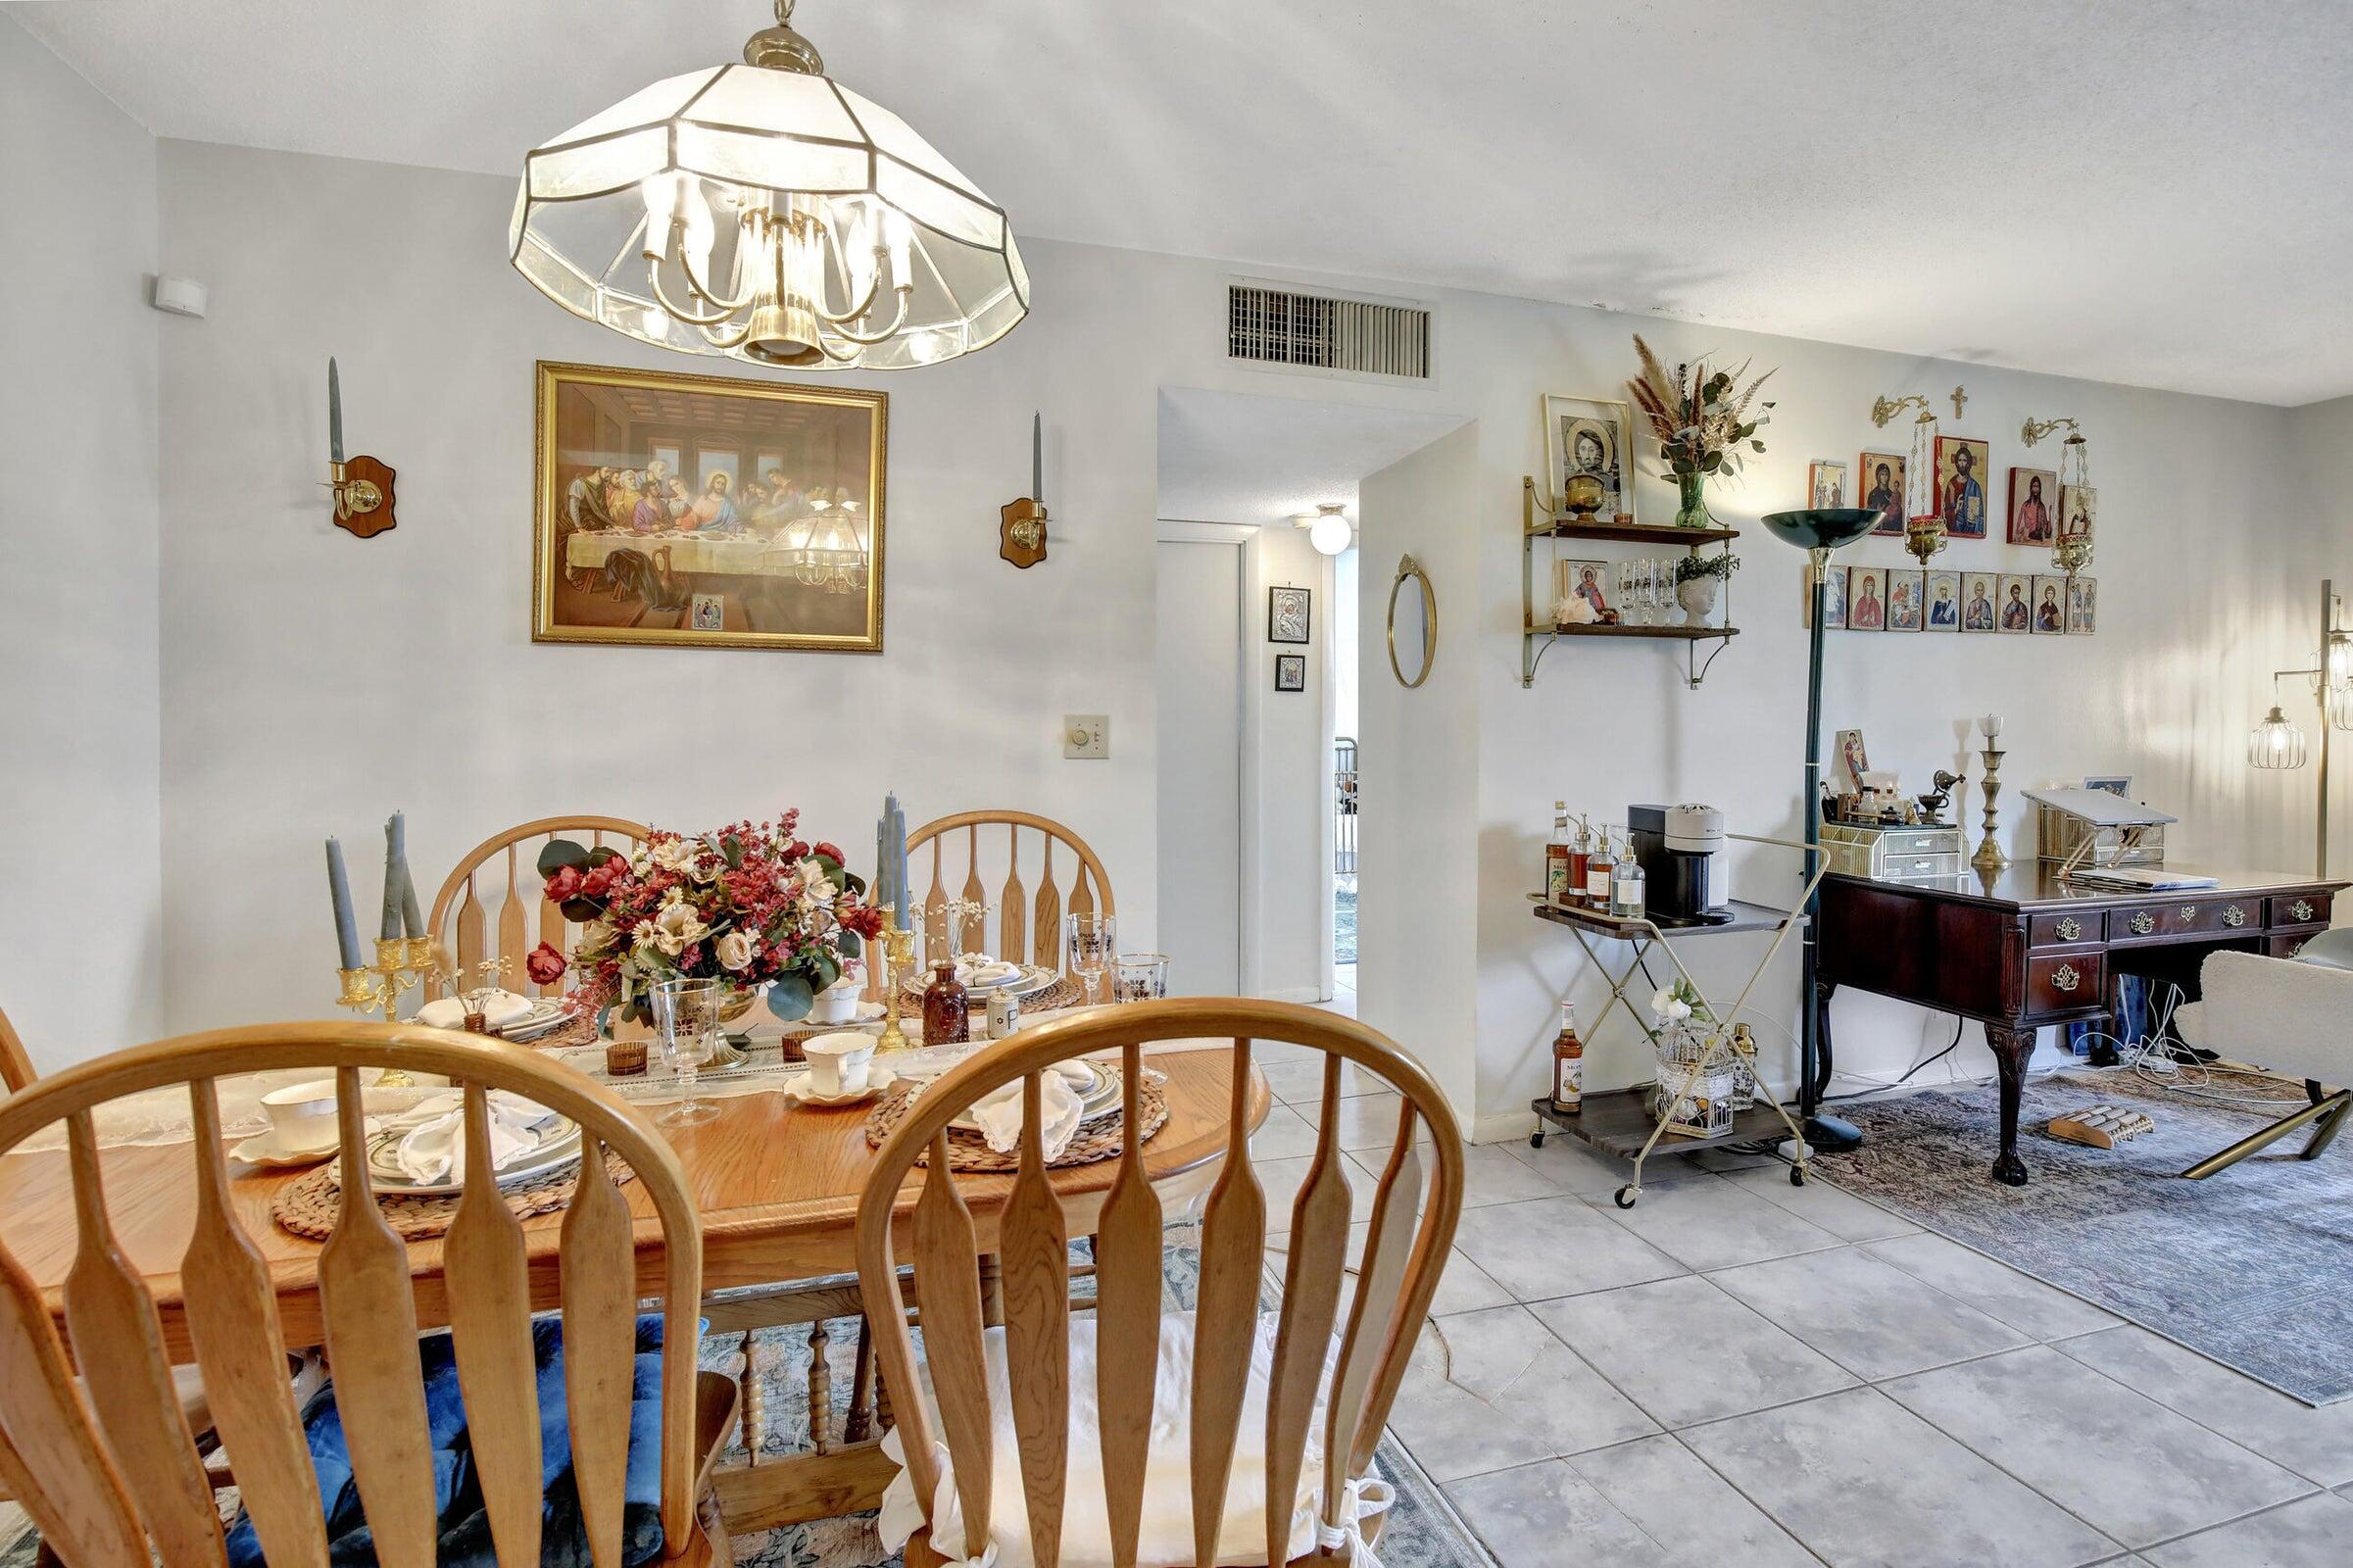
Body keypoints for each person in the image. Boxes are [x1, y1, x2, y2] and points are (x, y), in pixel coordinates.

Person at [1942, 445, 1985, 537]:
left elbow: (1980, 515)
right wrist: (1956, 510)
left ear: (1969, 463)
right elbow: (1944, 513)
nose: (1962, 463)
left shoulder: (1974, 486)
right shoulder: (1951, 485)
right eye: (1960, 460)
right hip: (1954, 531)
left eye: (1965, 460)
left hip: (1970, 530)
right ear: (1956, 463)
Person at [2014, 473, 2052, 543]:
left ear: (2040, 489)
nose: (2036, 489)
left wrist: (2050, 514)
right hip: (2028, 537)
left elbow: (2047, 529)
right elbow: (2018, 528)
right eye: (2034, 486)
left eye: (2037, 487)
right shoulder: (2026, 505)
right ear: (2031, 488)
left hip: (2039, 539)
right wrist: (2023, 529)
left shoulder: (2042, 507)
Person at [1864, 461, 1900, 532]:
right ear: (1878, 476)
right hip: (1875, 528)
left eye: (1886, 475)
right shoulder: (1873, 494)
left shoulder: (1892, 494)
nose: (1884, 477)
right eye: (1882, 474)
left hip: (1889, 528)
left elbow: (1896, 514)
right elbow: (1868, 514)